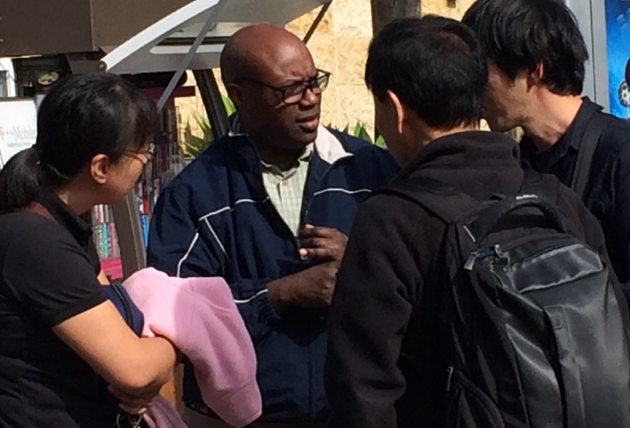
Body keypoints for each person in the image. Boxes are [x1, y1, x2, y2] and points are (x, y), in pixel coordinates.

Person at [324, 16, 620, 427]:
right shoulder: (556, 199)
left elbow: (361, 389)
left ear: (395, 108)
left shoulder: (392, 220)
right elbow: (615, 339)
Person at [146, 23, 398, 427]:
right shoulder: (195, 194)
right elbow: (177, 318)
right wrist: (281, 294)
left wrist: (360, 258)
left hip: (356, 414)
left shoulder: (372, 171)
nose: (310, 99)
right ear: (239, 95)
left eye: (314, 82)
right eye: (289, 89)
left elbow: (423, 276)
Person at [462, 0, 630, 348]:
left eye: (482, 71)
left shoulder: (625, 155)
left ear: (534, 69)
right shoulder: (516, 164)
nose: (473, 90)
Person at [0, 73, 177, 428]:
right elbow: (134, 370)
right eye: (142, 151)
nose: (145, 161)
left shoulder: (59, 222)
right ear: (100, 167)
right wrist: (176, 345)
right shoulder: (37, 242)